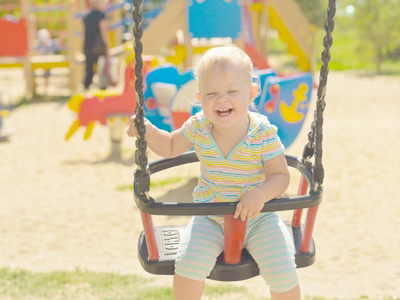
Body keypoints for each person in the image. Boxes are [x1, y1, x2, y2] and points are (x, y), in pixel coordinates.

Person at [127, 46, 301, 300]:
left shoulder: (263, 132)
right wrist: (148, 131)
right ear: (199, 98)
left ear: (251, 93)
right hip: (210, 217)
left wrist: (260, 194)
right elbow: (171, 146)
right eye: (211, 93)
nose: (221, 100)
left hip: (259, 218)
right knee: (187, 267)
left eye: (232, 91)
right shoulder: (199, 126)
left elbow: (280, 176)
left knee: (283, 268)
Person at [82, 0, 109, 90]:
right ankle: (102, 85)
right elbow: (104, 32)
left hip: (88, 44)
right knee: (101, 66)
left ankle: (87, 86)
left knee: (89, 67)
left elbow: (83, 32)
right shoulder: (101, 15)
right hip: (99, 46)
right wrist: (107, 47)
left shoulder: (86, 16)